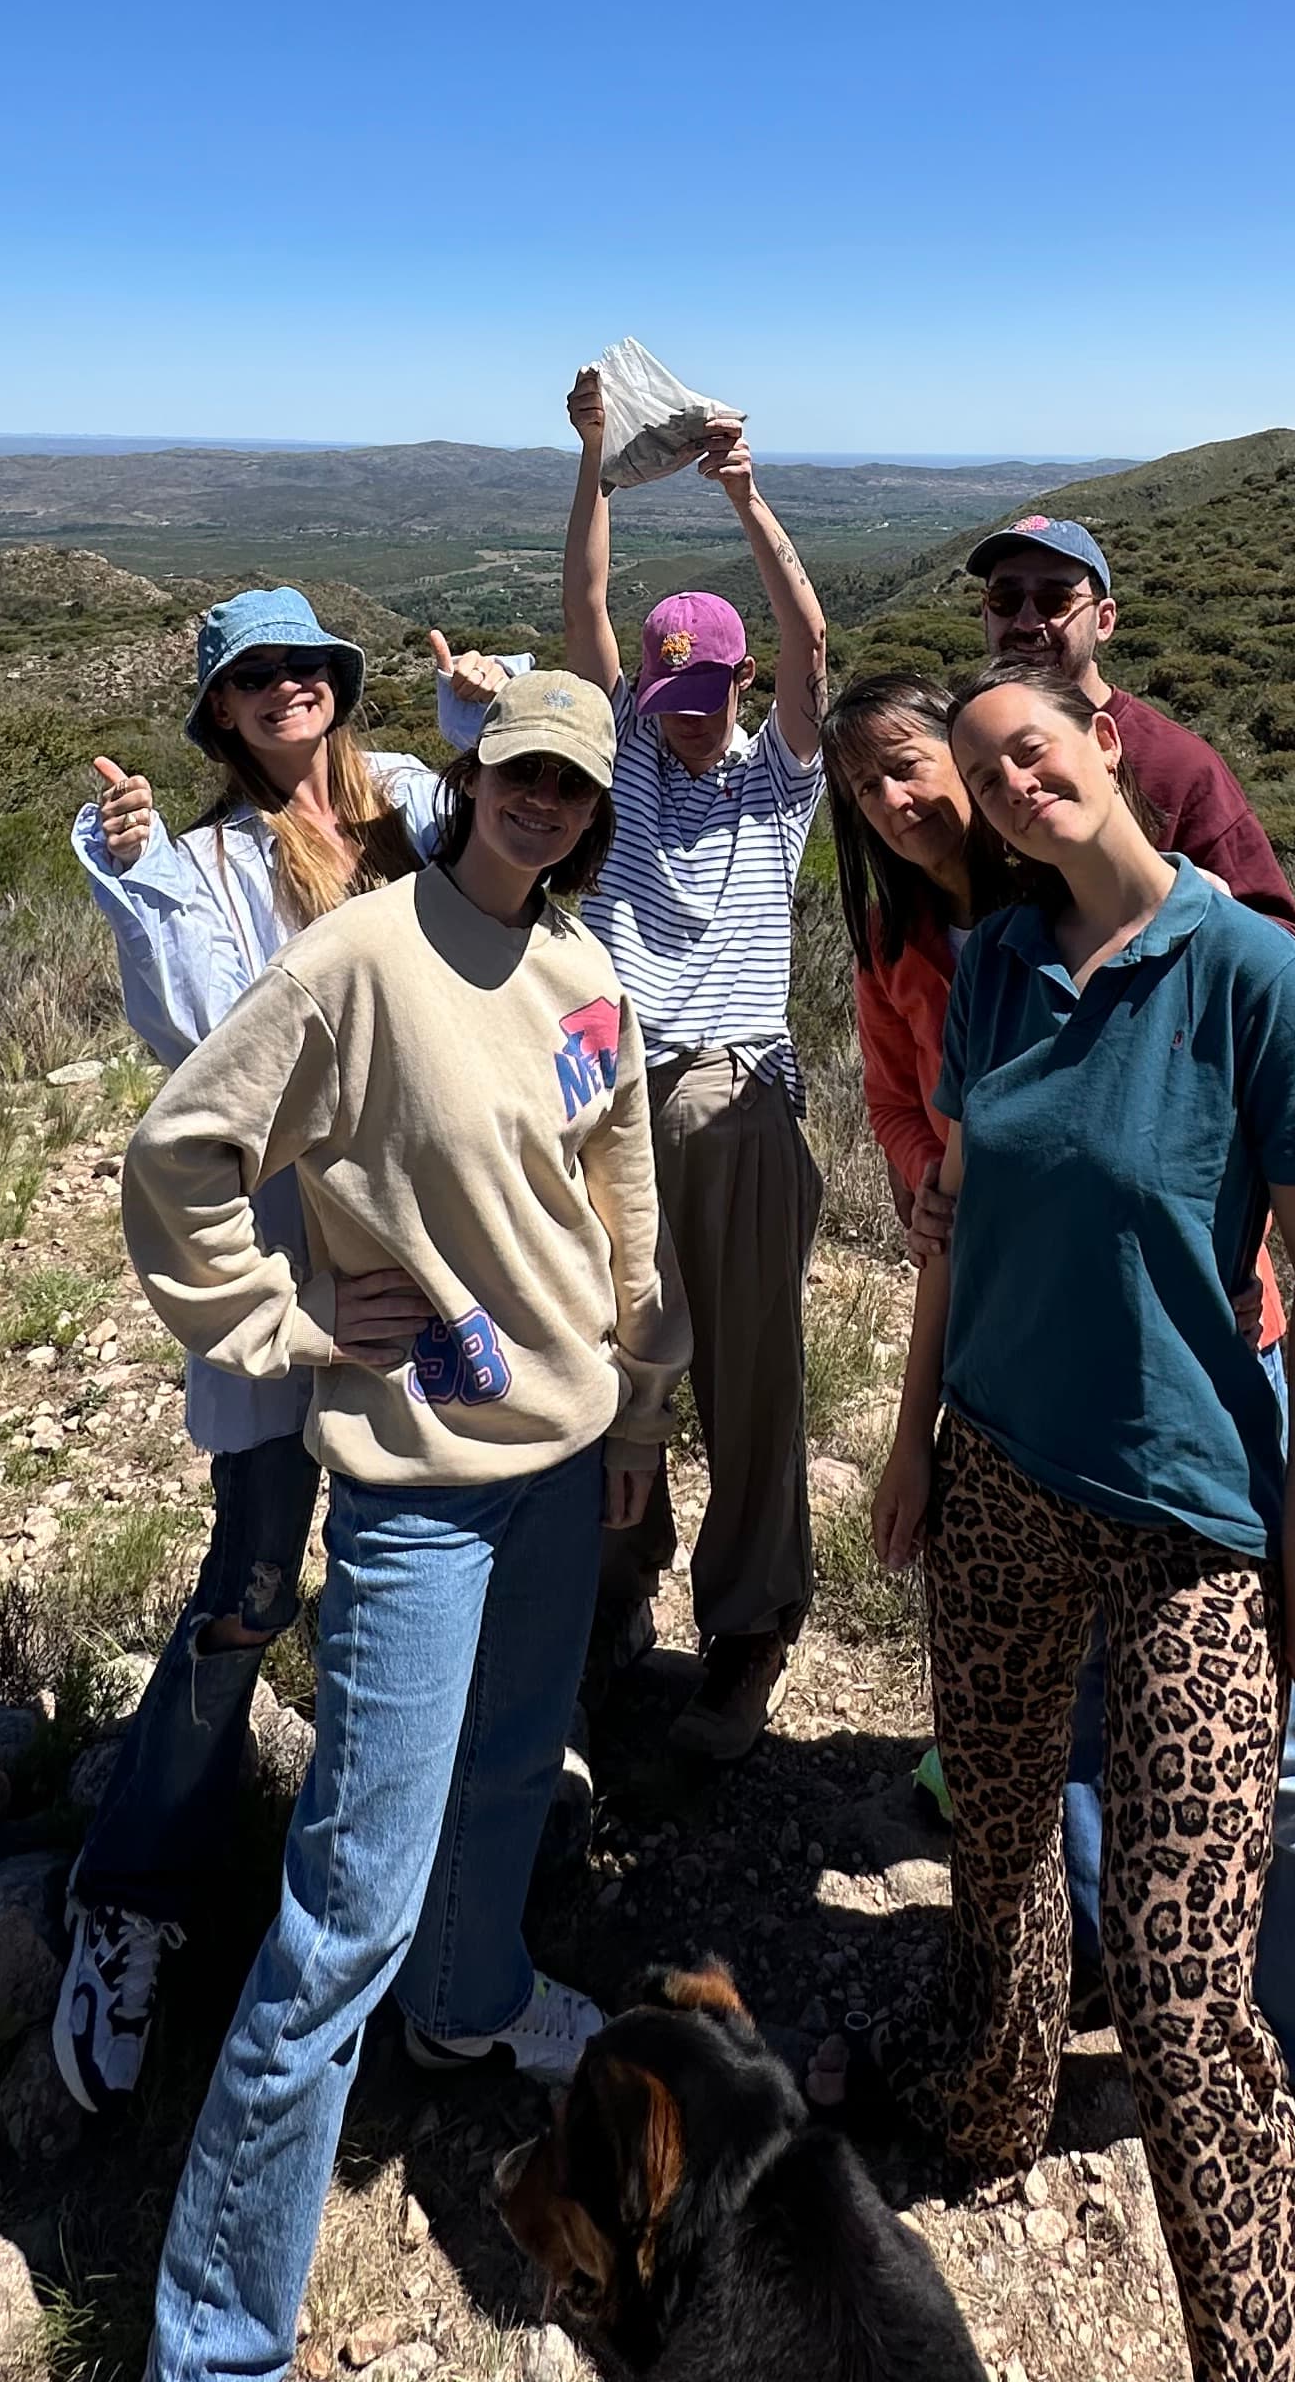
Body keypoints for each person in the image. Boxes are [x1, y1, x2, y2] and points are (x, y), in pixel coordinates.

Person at [119, 669, 686, 2382]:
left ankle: (471, 1998)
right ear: (467, 777)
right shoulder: (361, 957)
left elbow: (621, 1196)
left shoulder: (586, 974)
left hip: (559, 1452)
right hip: (422, 1486)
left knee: (511, 1773)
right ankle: (212, 2342)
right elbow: (182, 1151)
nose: (541, 804)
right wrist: (281, 1328)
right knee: (339, 1911)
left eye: (572, 789)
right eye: (517, 772)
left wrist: (635, 1402)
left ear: (594, 813)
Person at [820, 671, 1295, 2295]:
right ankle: (995, 2086)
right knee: (1006, 1838)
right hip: (1003, 1457)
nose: (948, 791)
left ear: (1100, 739)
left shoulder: (1241, 966)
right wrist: (910, 1430)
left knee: (1196, 1949)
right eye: (878, 778)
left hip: (1185, 1478)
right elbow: (943, 1182)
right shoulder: (982, 960)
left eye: (1016, 752)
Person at [54, 585, 456, 2110]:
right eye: (256, 677)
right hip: (304, 1280)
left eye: (309, 668)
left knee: (414, 1568)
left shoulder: (416, 801)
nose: (289, 689)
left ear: (340, 688)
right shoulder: (211, 866)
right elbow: (201, 1053)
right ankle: (134, 1895)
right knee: (251, 1582)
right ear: (222, 712)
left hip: (432, 1258)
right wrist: (140, 881)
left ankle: (400, 1895)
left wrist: (491, 715)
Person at [559, 362, 830, 1764]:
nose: (696, 708)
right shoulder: (633, 754)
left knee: (747, 1373)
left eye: (715, 685)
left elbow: (812, 642)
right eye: (680, 687)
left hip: (732, 1093)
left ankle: (750, 1622)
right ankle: (618, 1602)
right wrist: (598, 460)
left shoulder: (778, 782)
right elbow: (588, 615)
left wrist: (747, 501)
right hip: (611, 1099)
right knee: (615, 1372)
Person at [961, 514, 1295, 931]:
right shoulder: (964, 755)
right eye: (1005, 600)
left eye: (1055, 601)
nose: (1027, 622)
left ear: (1103, 620)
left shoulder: (1178, 764)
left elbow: (1281, 941)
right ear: (985, 614)